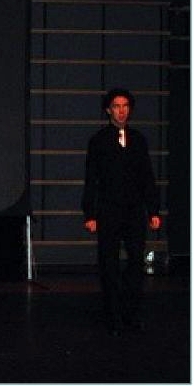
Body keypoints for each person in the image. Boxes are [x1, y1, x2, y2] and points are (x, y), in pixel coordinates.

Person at [82, 88, 161, 337]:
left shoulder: (138, 139)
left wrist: (153, 210)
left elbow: (147, 176)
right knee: (109, 263)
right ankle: (113, 316)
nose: (121, 111)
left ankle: (131, 314)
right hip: (108, 210)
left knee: (136, 262)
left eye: (125, 106)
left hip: (134, 210)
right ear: (108, 110)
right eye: (116, 106)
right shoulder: (98, 140)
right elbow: (91, 179)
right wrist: (90, 214)